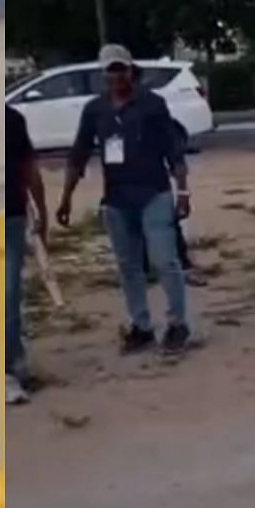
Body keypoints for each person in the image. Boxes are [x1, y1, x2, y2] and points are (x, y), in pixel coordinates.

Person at [56, 44, 193, 356]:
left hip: (153, 193)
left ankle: (178, 322)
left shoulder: (152, 105)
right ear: (103, 74)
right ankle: (141, 325)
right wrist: (65, 198)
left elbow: (173, 150)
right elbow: (78, 154)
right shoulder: (95, 110)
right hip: (117, 199)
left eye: (121, 69)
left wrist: (182, 191)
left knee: (164, 260)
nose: (117, 75)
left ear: (131, 70)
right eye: (111, 70)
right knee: (128, 266)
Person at [5, 103, 48, 403]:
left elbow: (28, 167)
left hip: (10, 217)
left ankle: (12, 364)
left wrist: (41, 210)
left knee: (9, 293)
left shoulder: (12, 119)